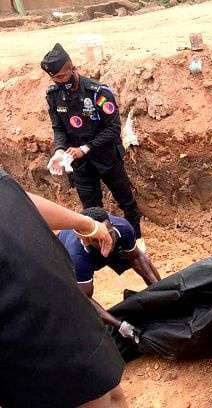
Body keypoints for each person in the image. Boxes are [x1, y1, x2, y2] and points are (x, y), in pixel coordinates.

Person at [0, 168, 128, 407]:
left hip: (55, 298)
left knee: (109, 392)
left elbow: (13, 195)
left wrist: (83, 222)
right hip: (19, 318)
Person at [41, 43, 143, 240]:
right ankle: (101, 244)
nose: (59, 81)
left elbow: (113, 129)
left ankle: (136, 242)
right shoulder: (54, 96)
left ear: (72, 68)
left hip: (107, 158)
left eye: (62, 76)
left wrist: (86, 148)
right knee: (91, 209)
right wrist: (60, 150)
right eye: (54, 78)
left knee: (126, 201)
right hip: (80, 164)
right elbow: (59, 128)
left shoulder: (98, 93)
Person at [58, 206, 161, 329]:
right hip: (78, 257)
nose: (108, 240)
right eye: (100, 239)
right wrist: (119, 325)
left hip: (110, 250)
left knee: (140, 259)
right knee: (73, 300)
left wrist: (161, 291)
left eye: (109, 234)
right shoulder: (77, 255)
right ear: (88, 240)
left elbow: (137, 258)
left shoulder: (123, 228)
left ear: (112, 226)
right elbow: (85, 298)